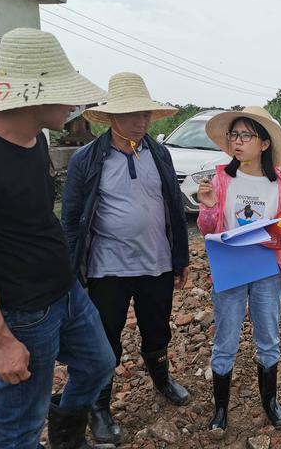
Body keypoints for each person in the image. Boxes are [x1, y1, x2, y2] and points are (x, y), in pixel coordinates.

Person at [0, 27, 116, 449]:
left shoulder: (36, 139)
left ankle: (67, 436)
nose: (75, 104)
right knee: (22, 423)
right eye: (65, 92)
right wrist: (1, 342)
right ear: (32, 96)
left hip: (66, 292)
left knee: (99, 364)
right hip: (24, 312)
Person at [61, 72, 190, 445]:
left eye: (146, 113)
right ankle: (100, 407)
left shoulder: (159, 152)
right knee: (105, 340)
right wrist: (75, 273)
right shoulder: (87, 159)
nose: (142, 120)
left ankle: (162, 380)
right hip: (107, 268)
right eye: (133, 114)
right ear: (112, 117)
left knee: (157, 328)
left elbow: (174, 209)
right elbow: (71, 219)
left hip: (157, 263)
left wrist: (180, 257)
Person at [196, 106, 281, 438]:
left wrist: (268, 233)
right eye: (234, 135)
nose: (237, 142)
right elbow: (207, 228)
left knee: (268, 338)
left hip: (267, 271)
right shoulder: (222, 179)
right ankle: (220, 409)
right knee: (225, 340)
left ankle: (270, 401)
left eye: (245, 135)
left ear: (264, 144)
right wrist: (209, 206)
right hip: (230, 269)